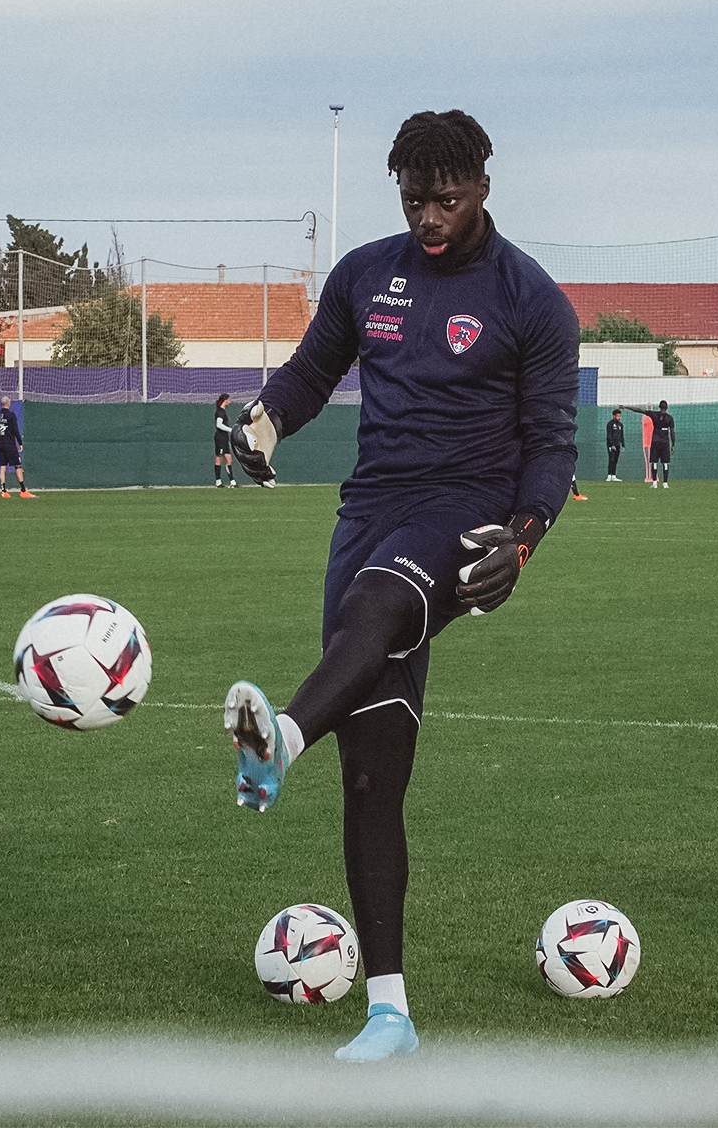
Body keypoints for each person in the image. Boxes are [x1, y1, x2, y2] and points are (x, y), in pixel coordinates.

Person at [223, 109, 578, 1062]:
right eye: (414, 197)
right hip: (367, 511)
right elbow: (310, 372)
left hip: (465, 518)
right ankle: (391, 1014)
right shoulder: (363, 274)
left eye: (446, 198)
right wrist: (262, 424)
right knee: (374, 772)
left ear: (484, 190)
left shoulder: (532, 301)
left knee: (377, 609)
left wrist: (526, 537)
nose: (428, 215)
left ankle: (281, 740)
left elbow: (551, 445)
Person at [0, 397, 35, 498]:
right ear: (8, 404)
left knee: (2, 467)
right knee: (17, 466)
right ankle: (23, 490)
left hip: (0, 444)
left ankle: (3, 491)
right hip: (10, 444)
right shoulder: (11, 416)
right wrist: (20, 443)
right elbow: (15, 430)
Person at [625, 401, 675, 487]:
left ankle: (654, 482)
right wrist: (673, 444)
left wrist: (626, 407)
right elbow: (672, 432)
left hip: (655, 441)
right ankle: (665, 483)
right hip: (665, 442)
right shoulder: (669, 418)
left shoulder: (654, 414)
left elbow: (639, 410)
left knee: (654, 462)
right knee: (665, 462)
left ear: (659, 407)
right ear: (666, 407)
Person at [213, 393, 237, 487]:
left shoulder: (223, 411)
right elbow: (218, 425)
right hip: (220, 438)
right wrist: (231, 430)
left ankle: (232, 482)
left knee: (229, 459)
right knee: (219, 459)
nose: (229, 401)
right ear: (225, 400)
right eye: (228, 399)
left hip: (224, 438)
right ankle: (219, 482)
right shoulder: (220, 411)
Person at [604, 408, 625, 480]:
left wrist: (623, 445)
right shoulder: (610, 424)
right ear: (614, 416)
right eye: (618, 416)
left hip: (618, 445)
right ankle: (609, 475)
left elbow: (621, 435)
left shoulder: (621, 425)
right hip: (611, 445)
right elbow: (609, 435)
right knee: (611, 459)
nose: (619, 418)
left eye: (620, 416)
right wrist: (611, 444)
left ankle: (614, 475)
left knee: (616, 460)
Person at [641, 409, 654, 483]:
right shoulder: (645, 419)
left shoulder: (653, 418)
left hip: (652, 441)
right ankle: (648, 476)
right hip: (646, 441)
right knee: (648, 460)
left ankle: (653, 476)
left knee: (652, 460)